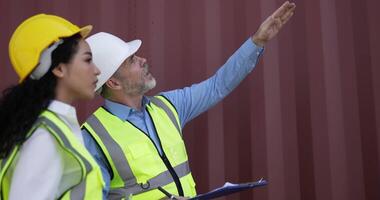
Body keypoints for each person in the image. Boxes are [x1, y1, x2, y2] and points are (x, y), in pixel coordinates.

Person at [82, 1, 296, 199]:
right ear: (113, 83)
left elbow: (217, 86)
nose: (143, 60)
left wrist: (257, 41)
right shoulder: (92, 137)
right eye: (132, 60)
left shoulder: (168, 107)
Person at [0, 14, 105, 199]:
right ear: (58, 68)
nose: (97, 70)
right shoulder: (45, 136)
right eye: (87, 60)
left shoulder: (51, 127)